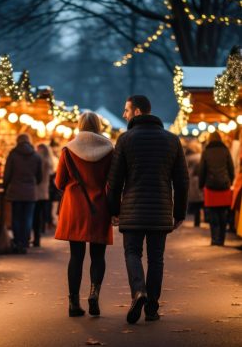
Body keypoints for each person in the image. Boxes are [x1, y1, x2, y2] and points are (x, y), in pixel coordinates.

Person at [108, 95, 189, 324]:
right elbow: (182, 182)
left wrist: (114, 209)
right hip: (160, 210)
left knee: (132, 252)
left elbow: (115, 182)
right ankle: (152, 308)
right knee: (156, 259)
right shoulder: (172, 140)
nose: (123, 114)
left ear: (137, 112)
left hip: (132, 209)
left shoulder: (125, 140)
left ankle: (138, 291)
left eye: (126, 110)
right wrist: (179, 213)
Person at [55, 112, 113, 317]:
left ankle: (73, 303)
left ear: (79, 125)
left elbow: (59, 182)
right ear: (98, 126)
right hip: (99, 206)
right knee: (98, 256)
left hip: (75, 207)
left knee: (76, 256)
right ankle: (94, 294)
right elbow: (113, 182)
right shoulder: (109, 149)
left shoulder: (68, 150)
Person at [4, 133, 42, 254]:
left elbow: (7, 174)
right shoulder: (36, 156)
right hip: (30, 192)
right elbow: (39, 176)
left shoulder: (13, 155)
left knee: (16, 218)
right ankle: (25, 242)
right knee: (28, 218)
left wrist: (6, 187)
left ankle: (17, 242)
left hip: (15, 191)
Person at [199, 131, 234, 246]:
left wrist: (201, 184)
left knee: (213, 214)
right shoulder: (225, 150)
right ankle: (222, 239)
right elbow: (231, 168)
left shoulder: (206, 151)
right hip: (224, 186)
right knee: (223, 213)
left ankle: (215, 239)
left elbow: (202, 170)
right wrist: (230, 181)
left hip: (211, 186)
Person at [32, 143, 53, 247]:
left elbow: (37, 176)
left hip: (36, 190)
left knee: (35, 216)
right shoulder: (49, 162)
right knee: (40, 214)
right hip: (44, 191)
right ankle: (39, 235)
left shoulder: (39, 161)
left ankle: (36, 238)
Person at [185, 141, 204, 227]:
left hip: (189, 181)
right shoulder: (199, 157)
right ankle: (197, 220)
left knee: (192, 200)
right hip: (197, 180)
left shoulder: (186, 157)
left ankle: (190, 215)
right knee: (199, 202)